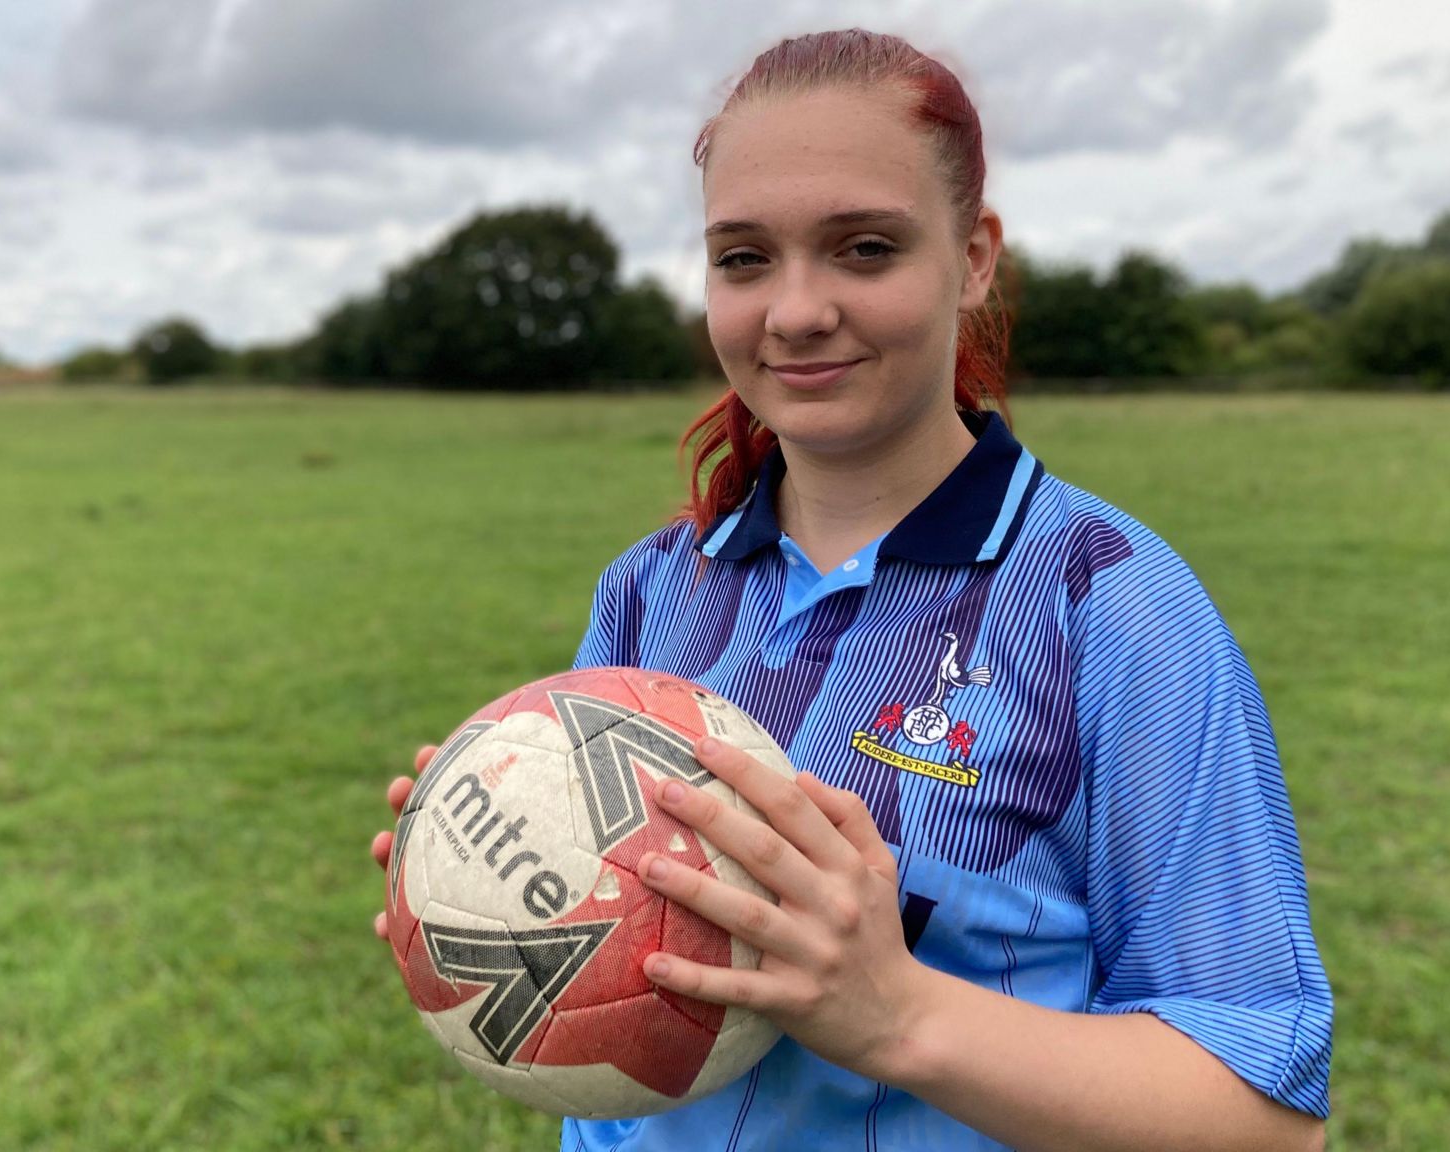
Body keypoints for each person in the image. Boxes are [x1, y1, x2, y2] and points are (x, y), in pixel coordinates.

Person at [372, 28, 1332, 1152]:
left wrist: (897, 1014)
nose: (793, 311)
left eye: (863, 249)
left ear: (973, 258)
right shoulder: (649, 589)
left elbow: (1262, 1121)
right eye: (741, 258)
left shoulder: (1107, 606)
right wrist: (480, 883)